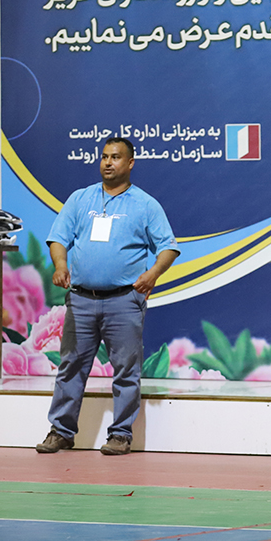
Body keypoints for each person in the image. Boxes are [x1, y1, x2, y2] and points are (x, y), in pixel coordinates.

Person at [35, 137, 178, 456]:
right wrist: (61, 265)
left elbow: (168, 246)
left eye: (115, 157)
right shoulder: (80, 198)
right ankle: (61, 432)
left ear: (130, 163)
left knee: (126, 369)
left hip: (124, 301)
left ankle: (121, 434)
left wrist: (153, 273)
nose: (108, 162)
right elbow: (58, 238)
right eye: (104, 157)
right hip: (81, 300)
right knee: (70, 367)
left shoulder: (145, 204)